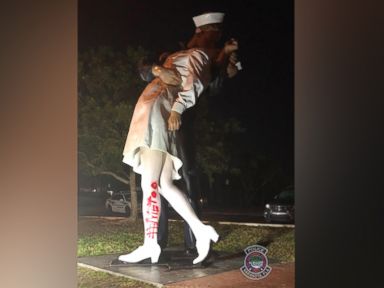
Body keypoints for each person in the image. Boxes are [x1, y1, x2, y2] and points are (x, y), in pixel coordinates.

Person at [119, 12, 238, 265]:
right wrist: (159, 71)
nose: (210, 36)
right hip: (156, 108)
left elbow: (196, 83)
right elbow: (146, 67)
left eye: (214, 34)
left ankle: (150, 244)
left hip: (159, 110)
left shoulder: (200, 55)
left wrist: (177, 109)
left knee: (149, 182)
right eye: (209, 32)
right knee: (163, 184)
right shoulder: (180, 54)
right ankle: (201, 231)